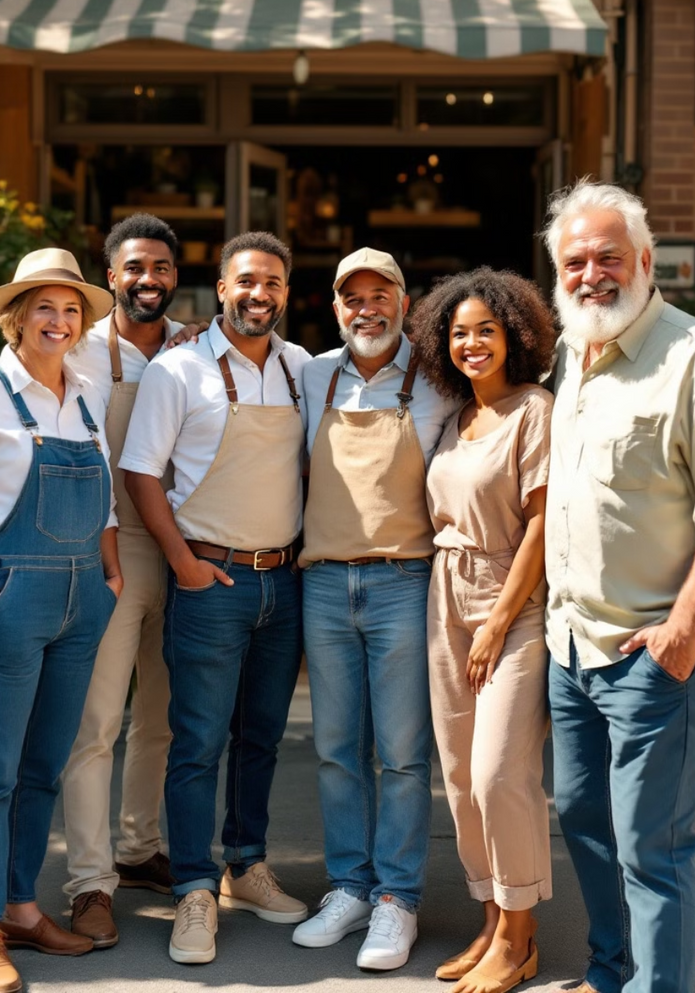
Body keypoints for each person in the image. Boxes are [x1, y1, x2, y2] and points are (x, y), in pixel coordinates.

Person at [541, 181, 695, 993]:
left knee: (654, 848)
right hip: (571, 647)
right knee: (584, 822)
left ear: (645, 262)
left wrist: (681, 633)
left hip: (653, 651)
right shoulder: (575, 351)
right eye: (575, 261)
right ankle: (612, 975)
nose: (592, 274)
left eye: (609, 257)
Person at [120, 231, 313, 965]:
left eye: (271, 283)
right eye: (245, 282)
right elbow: (142, 475)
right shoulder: (179, 371)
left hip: (283, 580)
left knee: (261, 737)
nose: (258, 294)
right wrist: (183, 566)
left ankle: (246, 866)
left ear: (286, 293)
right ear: (221, 288)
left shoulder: (303, 369)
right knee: (197, 742)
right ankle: (194, 889)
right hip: (210, 581)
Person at [290, 248, 455, 970]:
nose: (366, 308)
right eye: (351, 297)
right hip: (324, 582)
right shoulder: (311, 376)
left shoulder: (439, 378)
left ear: (402, 299)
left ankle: (397, 900)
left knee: (403, 756)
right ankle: (349, 886)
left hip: (403, 584)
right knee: (334, 750)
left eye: (379, 293)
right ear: (335, 307)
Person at [412, 267, 556, 993]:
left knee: (504, 773)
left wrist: (499, 621)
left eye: (486, 330)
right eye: (460, 332)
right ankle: (495, 920)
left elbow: (540, 523)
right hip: (447, 591)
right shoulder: (454, 417)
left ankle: (523, 935)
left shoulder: (534, 409)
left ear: (514, 335)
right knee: (464, 776)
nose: (472, 343)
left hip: (512, 597)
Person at [58, 213, 189, 950]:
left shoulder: (198, 349)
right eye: (135, 268)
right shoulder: (77, 351)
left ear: (176, 276)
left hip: (186, 547)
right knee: (98, 723)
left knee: (162, 718)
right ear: (111, 277)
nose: (149, 280)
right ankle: (89, 883)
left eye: (162, 268)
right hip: (110, 547)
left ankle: (138, 851)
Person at [0, 249, 121, 991]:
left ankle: (19, 907)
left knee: (44, 765)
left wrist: (110, 573)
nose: (59, 320)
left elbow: (104, 499)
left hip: (83, 599)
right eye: (45, 307)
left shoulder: (83, 394)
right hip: (15, 595)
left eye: (71, 309)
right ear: (18, 316)